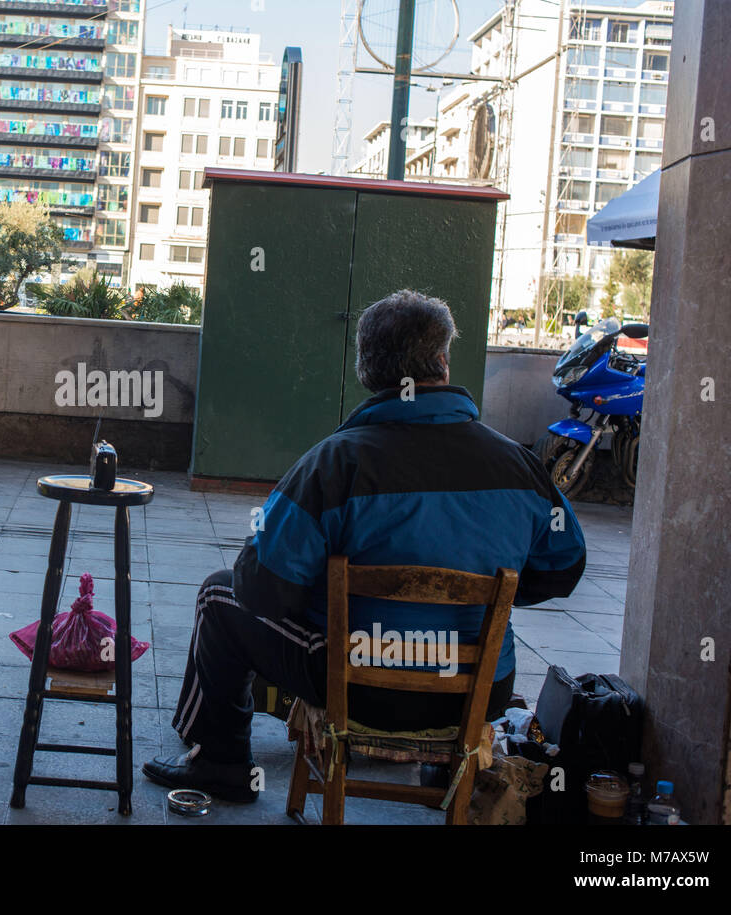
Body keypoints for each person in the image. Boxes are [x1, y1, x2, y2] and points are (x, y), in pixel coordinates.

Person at [142, 289, 588, 803]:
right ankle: (445, 766)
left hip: (360, 689)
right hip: (480, 692)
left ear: (367, 371)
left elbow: (262, 590)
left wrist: (318, 594)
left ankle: (219, 764)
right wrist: (486, 590)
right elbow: (564, 568)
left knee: (218, 598)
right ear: (442, 362)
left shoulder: (332, 465)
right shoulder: (521, 465)